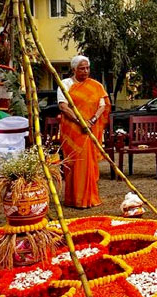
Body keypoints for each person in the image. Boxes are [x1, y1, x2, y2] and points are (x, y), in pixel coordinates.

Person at [58, 55, 110, 208]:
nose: (85, 71)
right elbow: (63, 106)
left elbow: (102, 106)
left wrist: (92, 120)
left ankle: (89, 197)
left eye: (87, 68)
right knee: (74, 163)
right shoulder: (65, 84)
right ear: (74, 69)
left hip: (90, 128)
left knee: (88, 162)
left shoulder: (96, 86)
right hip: (72, 129)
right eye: (82, 68)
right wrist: (80, 121)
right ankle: (74, 199)